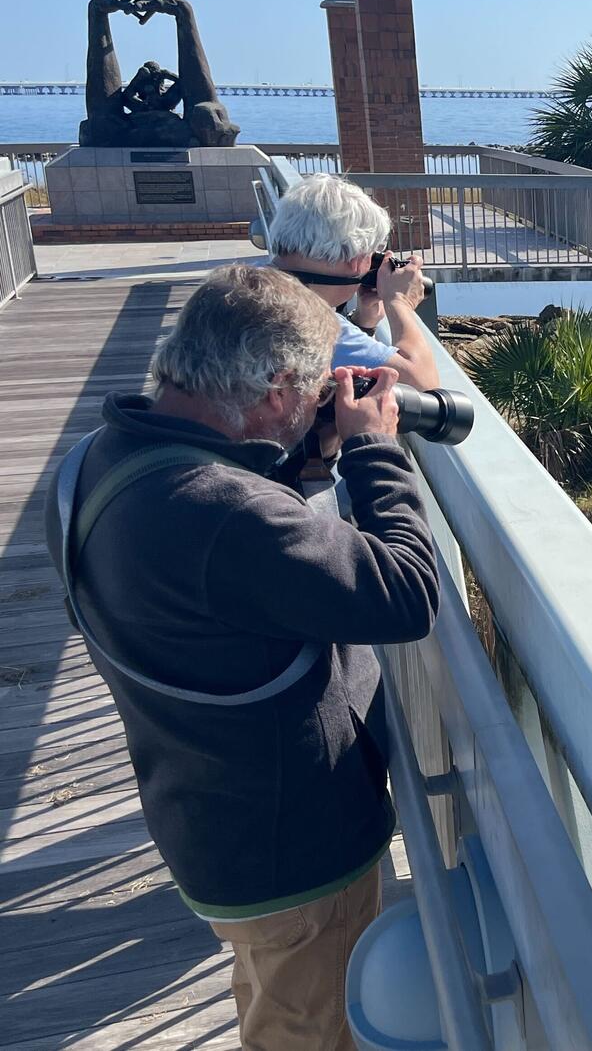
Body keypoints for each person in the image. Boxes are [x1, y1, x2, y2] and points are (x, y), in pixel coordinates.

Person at [46, 264, 440, 1051]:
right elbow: (406, 592)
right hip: (293, 857)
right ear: (275, 388)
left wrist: (296, 456)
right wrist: (372, 452)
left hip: (213, 821)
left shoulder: (105, 457)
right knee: (309, 1031)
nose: (321, 402)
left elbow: (223, 561)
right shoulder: (223, 515)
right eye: (314, 389)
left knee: (272, 1000)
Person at [267, 172, 441, 390]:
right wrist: (399, 302)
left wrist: (363, 324)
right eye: (372, 255)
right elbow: (423, 384)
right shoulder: (307, 321)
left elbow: (339, 355)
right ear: (356, 260)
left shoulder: (246, 285)